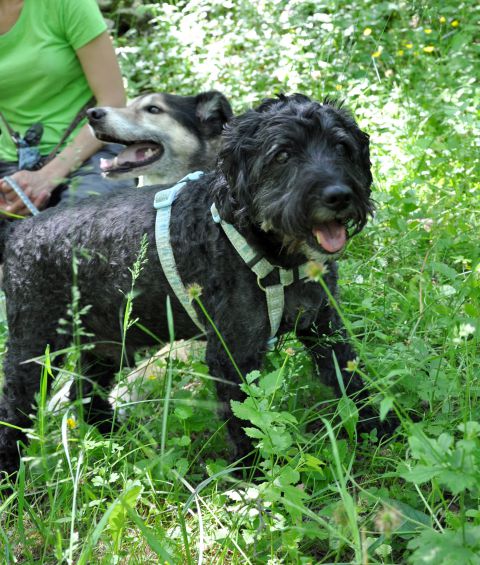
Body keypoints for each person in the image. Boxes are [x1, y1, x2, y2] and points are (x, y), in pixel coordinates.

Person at [0, 0, 134, 217]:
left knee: (79, 233)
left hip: (92, 151)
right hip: (11, 162)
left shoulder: (66, 4)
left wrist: (47, 177)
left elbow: (113, 100)